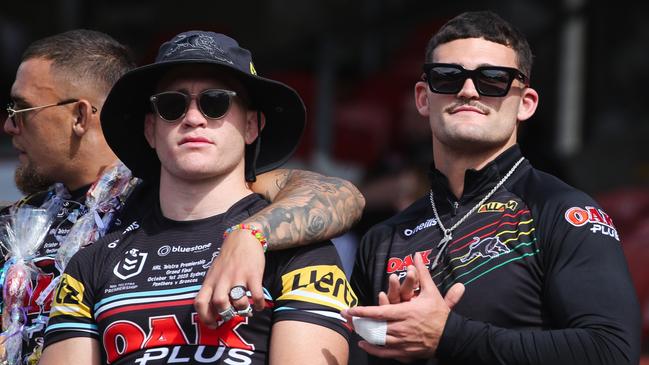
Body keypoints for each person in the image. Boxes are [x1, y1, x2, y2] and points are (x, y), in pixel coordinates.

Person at [1, 30, 363, 363]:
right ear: (150, 128)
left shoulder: (294, 242)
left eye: (216, 102)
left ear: (252, 125)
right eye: (172, 105)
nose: (193, 118)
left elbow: (338, 195)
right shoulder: (76, 253)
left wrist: (251, 235)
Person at [342, 10, 641, 365]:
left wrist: (447, 335)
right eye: (449, 77)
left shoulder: (560, 210)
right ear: (423, 98)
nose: (468, 91)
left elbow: (612, 351)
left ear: (526, 104)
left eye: (494, 79)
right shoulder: (382, 239)